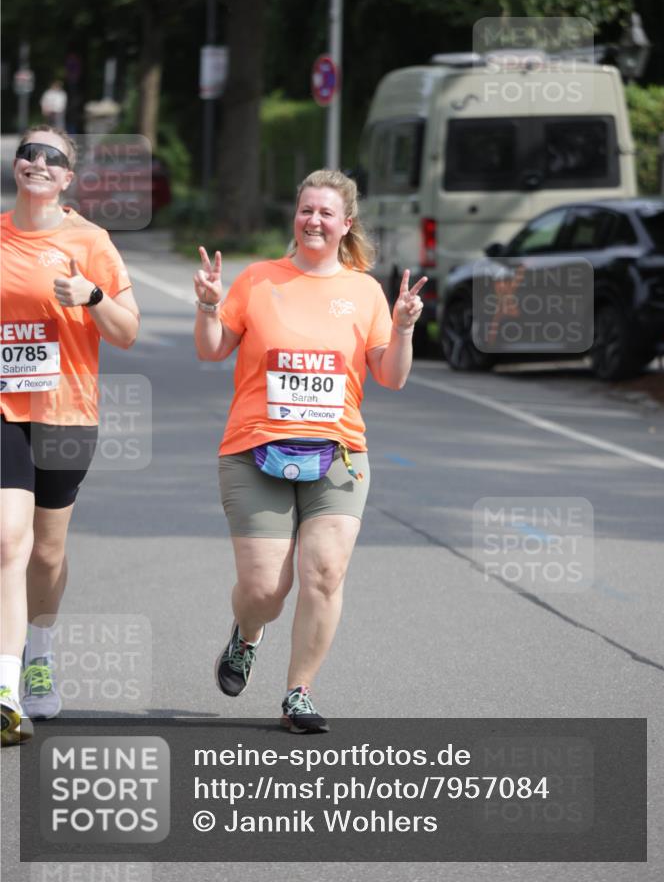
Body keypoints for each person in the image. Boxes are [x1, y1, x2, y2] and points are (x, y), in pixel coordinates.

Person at [194, 169, 426, 733]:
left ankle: (299, 692)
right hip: (255, 449)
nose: (314, 221)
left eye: (326, 213)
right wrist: (207, 307)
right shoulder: (258, 280)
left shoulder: (364, 291)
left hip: (338, 454)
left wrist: (402, 329)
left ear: (346, 224)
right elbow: (212, 350)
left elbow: (392, 377)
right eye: (306, 210)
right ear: (294, 217)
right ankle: (248, 633)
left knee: (323, 573)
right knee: (264, 590)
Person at [0, 126, 140, 746]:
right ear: (17, 166)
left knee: (47, 553)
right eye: (27, 152)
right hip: (5, 408)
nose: (37, 161)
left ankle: (41, 652)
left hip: (66, 412)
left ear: (66, 178)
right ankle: (6, 689)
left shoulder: (90, 241)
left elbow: (127, 330)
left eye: (50, 157)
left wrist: (92, 295)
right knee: (9, 541)